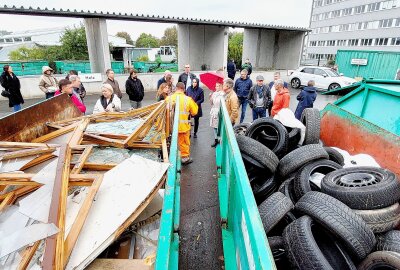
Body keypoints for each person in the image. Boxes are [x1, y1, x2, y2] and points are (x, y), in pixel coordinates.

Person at [166, 82, 198, 165]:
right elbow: (194, 112)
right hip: (183, 126)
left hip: (171, 127)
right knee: (184, 143)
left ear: (176, 89)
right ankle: (184, 158)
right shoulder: (188, 99)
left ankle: (170, 158)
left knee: (171, 142)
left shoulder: (168, 98)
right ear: (184, 89)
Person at [209, 79, 225, 147]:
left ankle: (220, 140)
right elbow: (211, 103)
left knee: (219, 127)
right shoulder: (214, 93)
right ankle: (216, 140)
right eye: (216, 86)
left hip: (219, 112)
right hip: (214, 111)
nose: (217, 87)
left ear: (221, 86)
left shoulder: (223, 94)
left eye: (218, 86)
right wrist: (210, 97)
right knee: (214, 127)